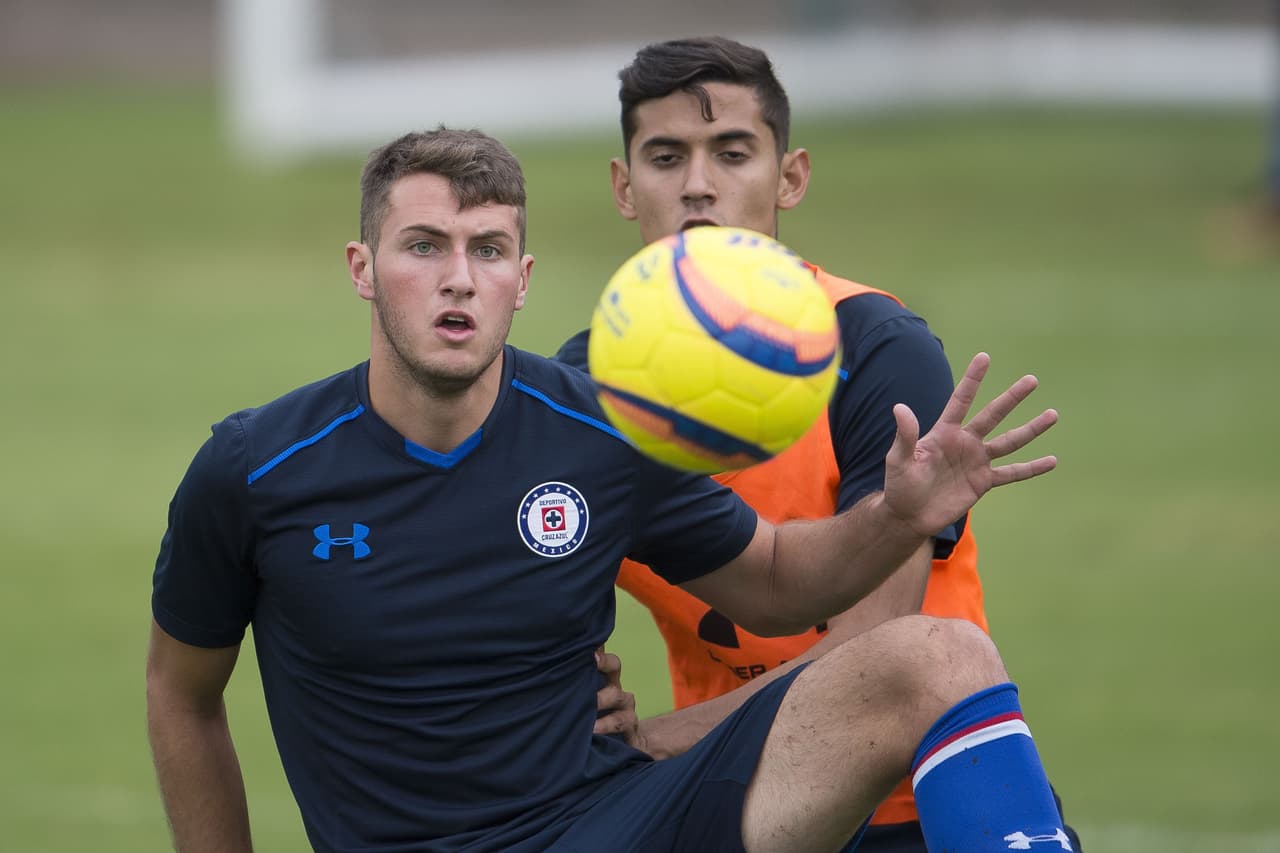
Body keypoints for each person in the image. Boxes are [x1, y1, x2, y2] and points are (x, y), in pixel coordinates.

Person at [147, 126, 1065, 853]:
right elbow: (181, 693)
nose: (458, 279)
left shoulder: (598, 430)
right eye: (423, 246)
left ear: (523, 280)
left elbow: (784, 577)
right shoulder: (255, 470)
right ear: (362, 268)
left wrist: (894, 516)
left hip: (614, 822)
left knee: (940, 655)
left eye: (489, 250)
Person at [559, 36, 1082, 851]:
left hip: (918, 791)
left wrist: (657, 737)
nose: (698, 186)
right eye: (666, 157)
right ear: (625, 187)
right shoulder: (582, 388)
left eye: (732, 153)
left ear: (789, 176)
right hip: (736, 798)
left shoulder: (877, 346)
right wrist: (574, 703)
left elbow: (871, 647)